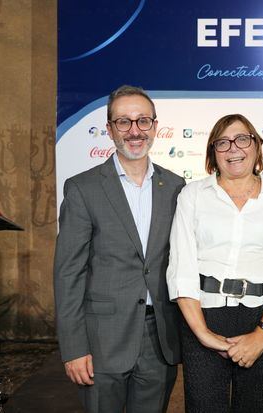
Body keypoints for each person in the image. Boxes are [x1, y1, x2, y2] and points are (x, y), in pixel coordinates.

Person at [53, 85, 185, 413]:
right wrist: (73, 347)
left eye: (142, 121)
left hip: (160, 341)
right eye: (124, 122)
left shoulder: (177, 188)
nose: (135, 131)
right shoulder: (83, 189)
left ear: (155, 126)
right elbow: (68, 273)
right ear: (110, 129)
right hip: (101, 341)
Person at [166, 114, 263, 413]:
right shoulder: (192, 196)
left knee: (255, 407)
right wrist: (202, 334)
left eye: (242, 139)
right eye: (222, 143)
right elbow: (182, 270)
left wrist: (262, 333)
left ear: (257, 146)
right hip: (202, 316)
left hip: (261, 319)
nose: (233, 149)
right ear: (213, 153)